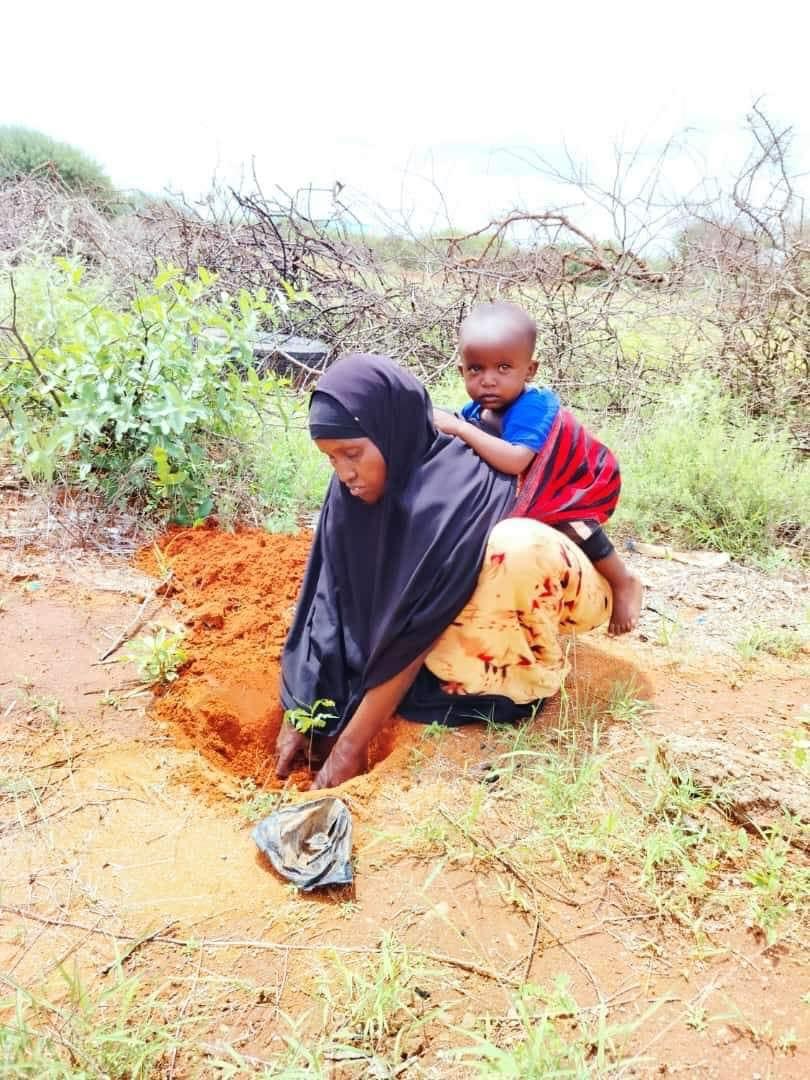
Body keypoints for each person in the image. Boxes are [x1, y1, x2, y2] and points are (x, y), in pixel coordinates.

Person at [277, 354, 616, 789]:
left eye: (352, 453)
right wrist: (301, 711)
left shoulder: (451, 488)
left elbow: (414, 627)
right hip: (467, 599)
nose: (344, 473)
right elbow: (327, 595)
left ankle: (526, 678)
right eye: (331, 458)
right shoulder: (352, 487)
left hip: (566, 583)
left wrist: (349, 747)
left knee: (510, 549)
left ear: (390, 431)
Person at [433, 301, 642, 635]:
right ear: (462, 372)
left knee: (574, 524)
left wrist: (458, 429)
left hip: (574, 483)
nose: (488, 381)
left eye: (503, 368)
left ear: (529, 370)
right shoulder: (475, 411)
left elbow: (516, 459)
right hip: (538, 488)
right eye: (476, 369)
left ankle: (622, 579)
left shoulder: (533, 405)